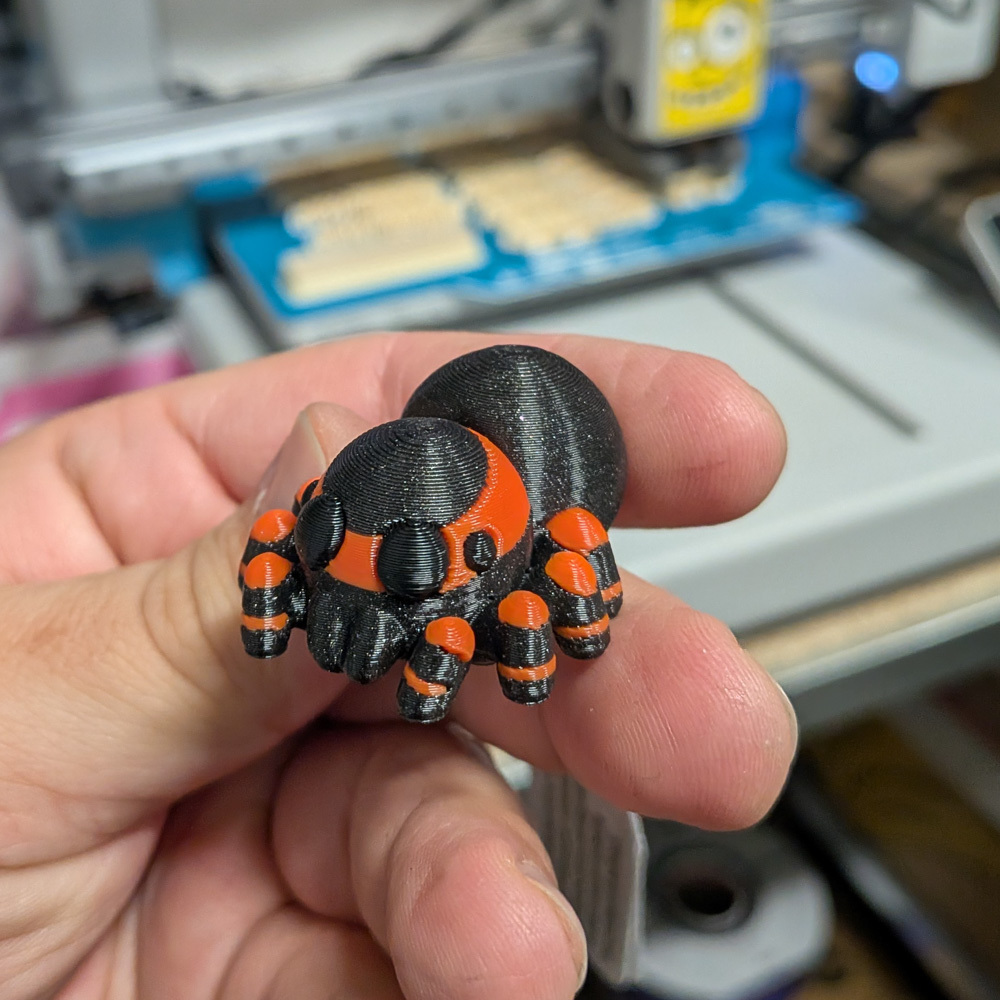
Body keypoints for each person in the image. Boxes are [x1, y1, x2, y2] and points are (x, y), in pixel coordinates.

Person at [0, 330, 796, 1000]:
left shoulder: (528, 555)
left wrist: (558, 619)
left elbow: (567, 579)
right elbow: (283, 544)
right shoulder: (322, 522)